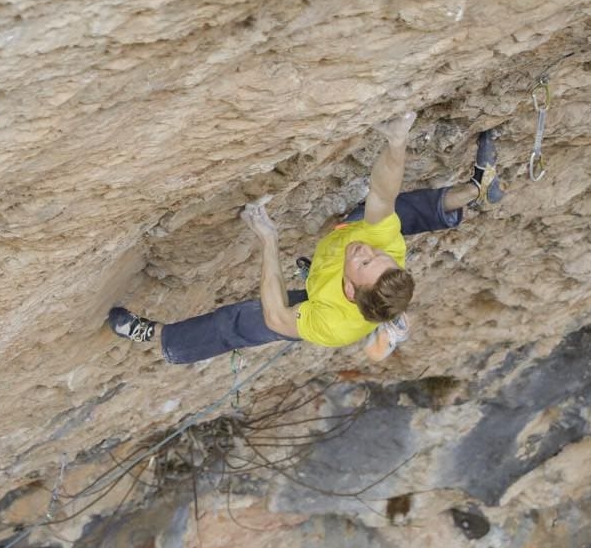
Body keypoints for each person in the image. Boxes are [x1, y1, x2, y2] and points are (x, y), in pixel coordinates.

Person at [107, 112, 503, 363]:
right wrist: (397, 141)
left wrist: (268, 242)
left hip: (322, 306)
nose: (367, 250)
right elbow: (383, 192)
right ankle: (472, 192)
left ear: (349, 288)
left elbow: (278, 316)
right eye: (379, 256)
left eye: (364, 261)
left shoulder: (330, 322)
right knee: (388, 217)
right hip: (350, 279)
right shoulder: (384, 251)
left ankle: (158, 336)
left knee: (243, 323)